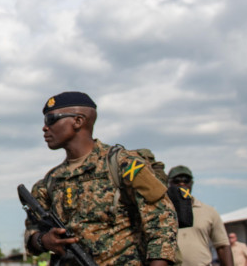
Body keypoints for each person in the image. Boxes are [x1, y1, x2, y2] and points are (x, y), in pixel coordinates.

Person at [23, 91, 178, 265]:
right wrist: (43, 241)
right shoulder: (49, 182)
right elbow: (32, 231)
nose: (45, 128)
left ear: (78, 121)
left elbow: (162, 221)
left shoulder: (124, 165)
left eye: (51, 119)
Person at [168, 165, 234, 266]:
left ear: (191, 183)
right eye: (176, 181)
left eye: (186, 180)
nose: (182, 183)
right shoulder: (161, 211)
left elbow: (222, 245)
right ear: (169, 183)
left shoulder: (209, 211)